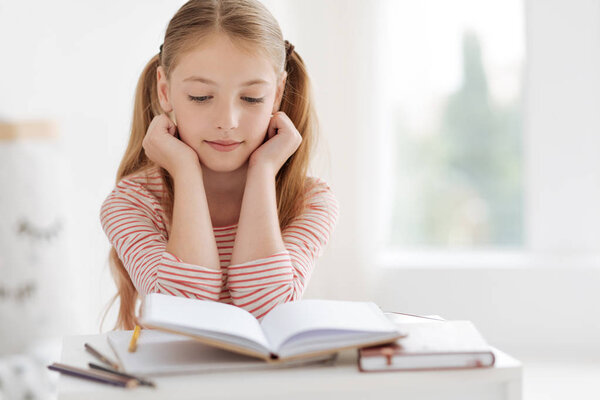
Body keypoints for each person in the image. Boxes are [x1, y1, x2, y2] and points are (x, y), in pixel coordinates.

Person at [99, 0, 339, 330]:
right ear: (165, 91)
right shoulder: (132, 203)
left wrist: (263, 171)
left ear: (278, 93)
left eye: (252, 98)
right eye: (200, 96)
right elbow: (184, 315)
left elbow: (268, 310)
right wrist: (185, 171)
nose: (227, 121)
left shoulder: (309, 201)